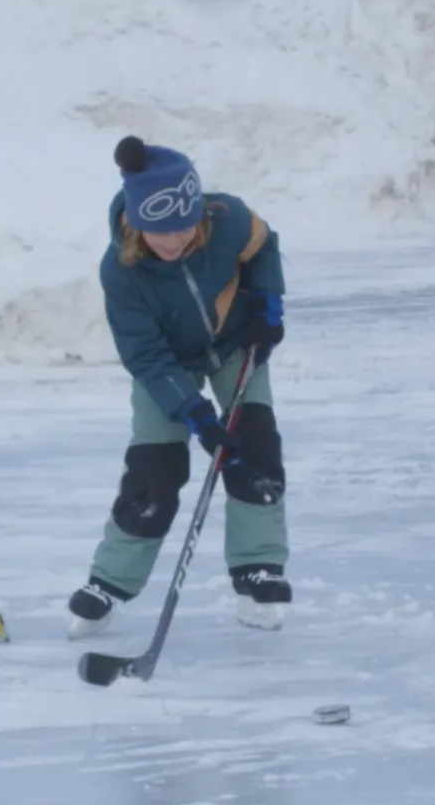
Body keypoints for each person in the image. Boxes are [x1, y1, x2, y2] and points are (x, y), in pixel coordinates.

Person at [67, 136, 290, 638]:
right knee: (155, 470)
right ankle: (110, 580)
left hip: (235, 345)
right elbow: (145, 355)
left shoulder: (229, 218)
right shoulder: (121, 272)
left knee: (255, 449)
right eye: (158, 232)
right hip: (166, 364)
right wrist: (198, 417)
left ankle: (258, 566)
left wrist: (267, 306)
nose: (173, 241)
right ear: (136, 223)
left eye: (184, 227)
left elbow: (264, 247)